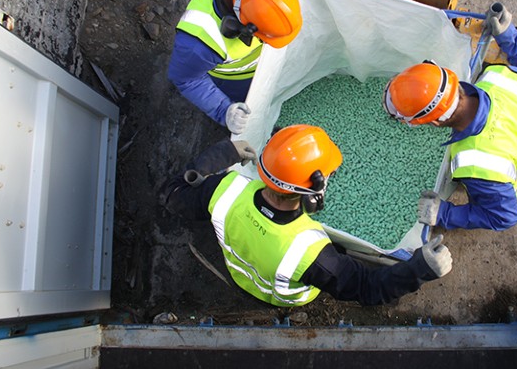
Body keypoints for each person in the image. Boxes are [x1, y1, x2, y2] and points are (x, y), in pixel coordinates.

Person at [160, 124, 453, 307]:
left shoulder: (225, 189)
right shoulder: (312, 254)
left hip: (238, 269)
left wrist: (224, 152)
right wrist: (420, 268)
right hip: (279, 296)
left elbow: (172, 194)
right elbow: (368, 288)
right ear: (315, 194)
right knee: (338, 257)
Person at [382, 2, 517, 232]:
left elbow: (504, 217)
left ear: (434, 121)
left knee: (484, 195)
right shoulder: (498, 79)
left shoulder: (475, 164)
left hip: (507, 181)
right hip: (515, 140)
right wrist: (507, 37)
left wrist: (444, 213)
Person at [167, 0, 316, 135]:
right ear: (243, 27)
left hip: (268, 65)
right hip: (239, 82)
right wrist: (223, 110)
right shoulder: (198, 41)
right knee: (252, 109)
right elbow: (186, 79)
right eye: (264, 38)